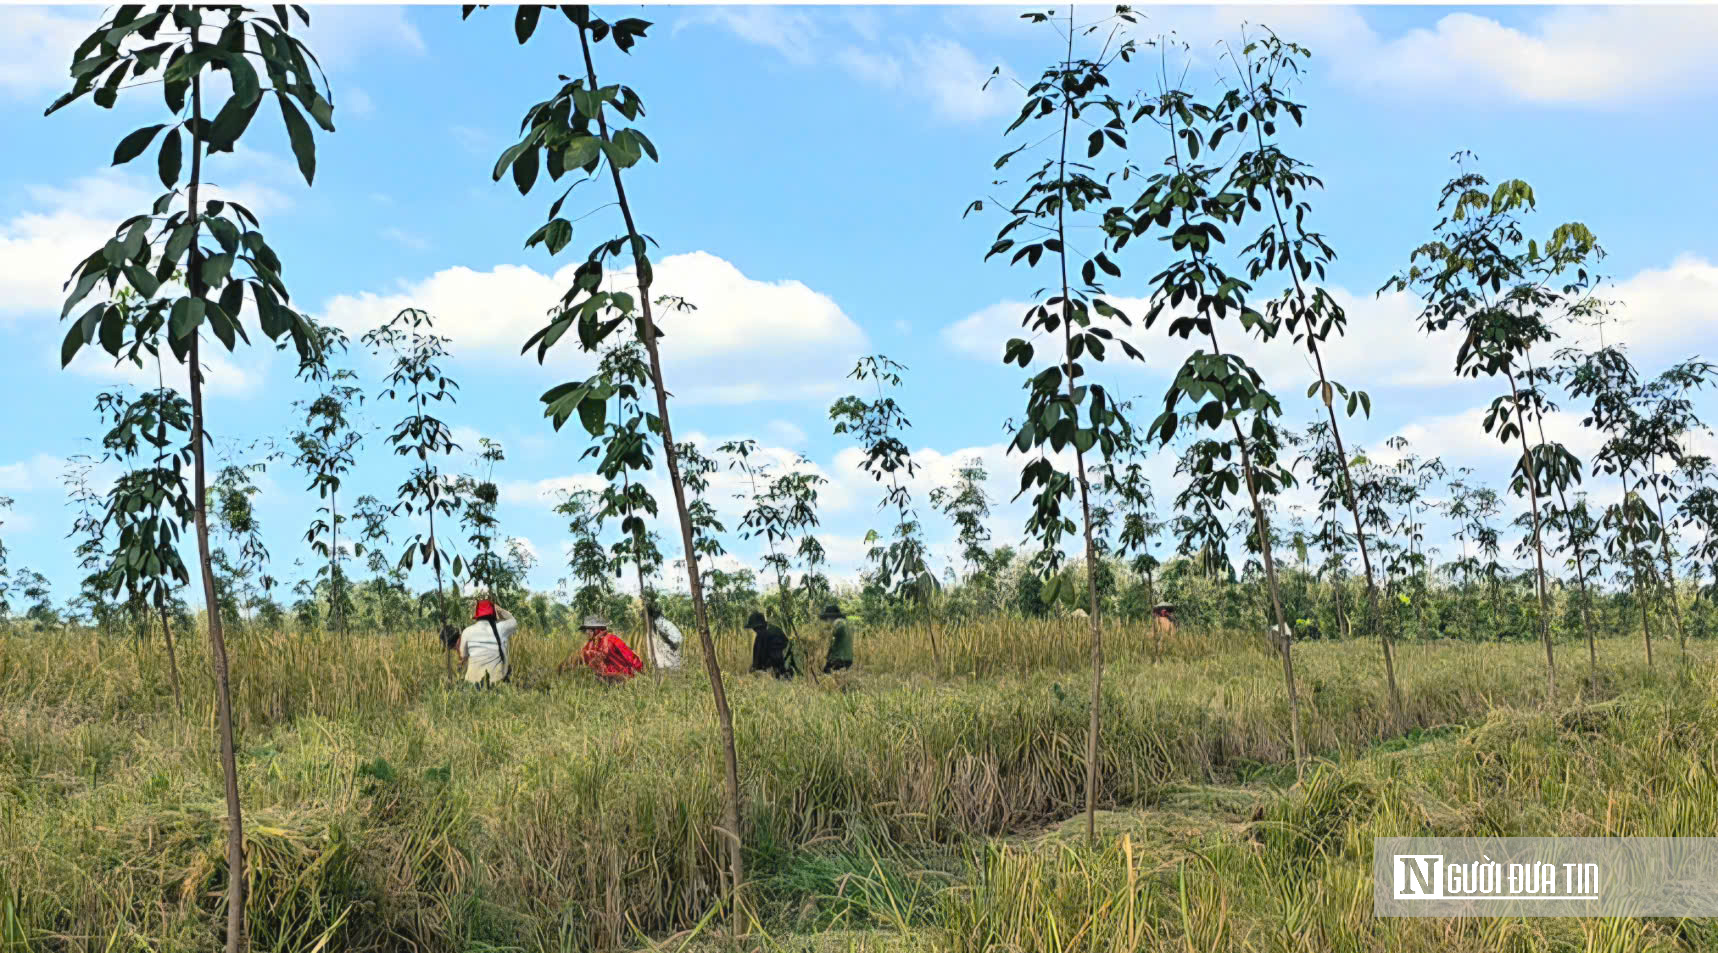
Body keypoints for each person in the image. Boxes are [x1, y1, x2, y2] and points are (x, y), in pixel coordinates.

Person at [560, 615, 644, 684]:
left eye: (588, 630)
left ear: (596, 630)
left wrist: (641, 673)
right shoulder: (591, 643)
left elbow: (631, 657)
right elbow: (579, 657)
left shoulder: (612, 639)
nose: (586, 632)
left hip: (622, 677)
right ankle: (559, 674)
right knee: (581, 657)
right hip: (603, 677)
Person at [456, 599, 515, 687]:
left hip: (473, 683)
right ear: (494, 614)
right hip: (495, 683)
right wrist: (499, 610)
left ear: (477, 616)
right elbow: (512, 620)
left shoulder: (467, 631)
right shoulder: (502, 628)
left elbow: (463, 656)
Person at [746, 610, 795, 679]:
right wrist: (754, 668)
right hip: (769, 671)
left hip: (779, 671)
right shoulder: (760, 636)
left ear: (760, 626)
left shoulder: (774, 633)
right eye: (754, 628)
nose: (754, 630)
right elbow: (757, 657)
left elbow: (779, 655)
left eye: (755, 628)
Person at [646, 603, 683, 671]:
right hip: (666, 660)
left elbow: (676, 640)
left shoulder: (662, 624)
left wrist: (669, 642)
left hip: (670, 657)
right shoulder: (653, 626)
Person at [819, 604, 853, 674]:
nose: (827, 621)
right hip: (848, 658)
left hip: (839, 659)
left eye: (827, 619)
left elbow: (833, 632)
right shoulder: (845, 622)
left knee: (826, 676)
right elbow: (833, 643)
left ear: (831, 617)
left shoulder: (838, 622)